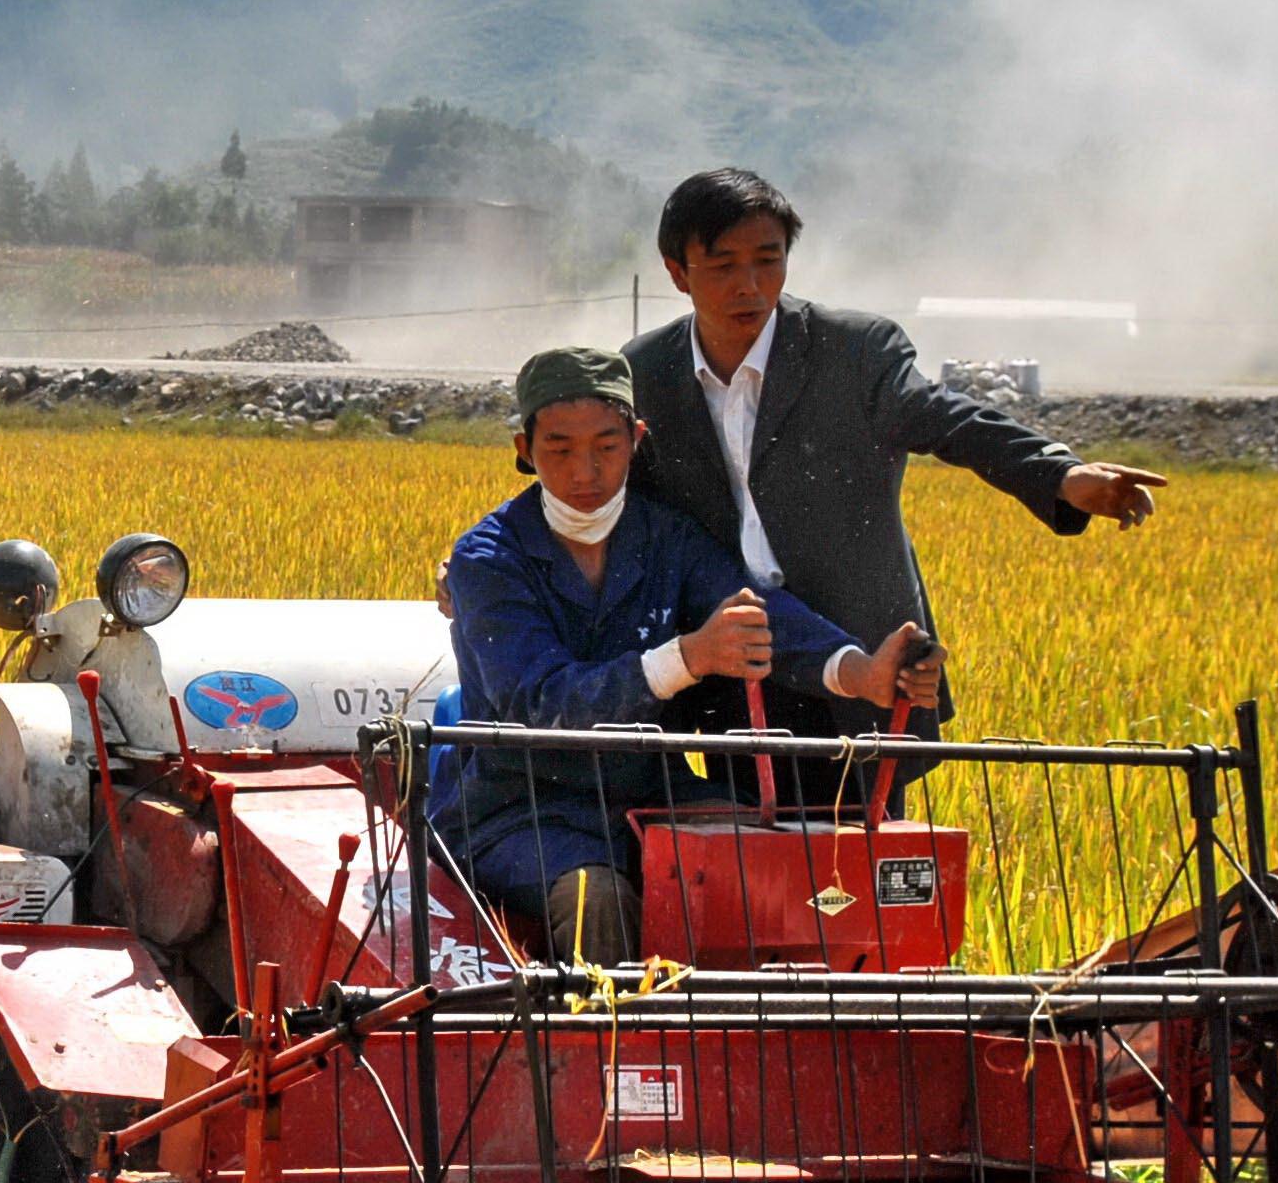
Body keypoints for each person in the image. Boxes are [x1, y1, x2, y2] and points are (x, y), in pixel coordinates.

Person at [625, 167, 1164, 804]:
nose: (749, 286)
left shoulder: (853, 352)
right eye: (722, 266)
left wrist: (1058, 473)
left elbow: (949, 419)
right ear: (676, 271)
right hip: (734, 668)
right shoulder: (645, 372)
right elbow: (605, 486)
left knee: (860, 876)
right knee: (747, 870)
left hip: (863, 656)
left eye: (767, 261)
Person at [439, 348, 939, 962]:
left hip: (649, 792)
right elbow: (541, 704)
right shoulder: (490, 560)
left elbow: (755, 613)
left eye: (606, 446)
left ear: (636, 439)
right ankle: (613, 1047)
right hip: (524, 809)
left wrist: (857, 670)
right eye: (560, 449)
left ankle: (775, 1044)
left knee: (766, 859)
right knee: (594, 897)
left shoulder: (666, 538)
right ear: (524, 449)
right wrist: (689, 657)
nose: (585, 471)